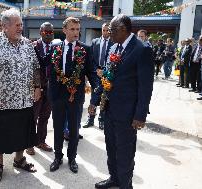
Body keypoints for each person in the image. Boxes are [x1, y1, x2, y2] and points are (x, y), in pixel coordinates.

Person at [0, 8, 41, 183]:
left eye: (21, 24)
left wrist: (37, 87)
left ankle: (19, 159)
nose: (20, 27)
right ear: (4, 26)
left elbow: (36, 67)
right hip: (3, 101)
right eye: (17, 25)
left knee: (23, 132)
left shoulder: (27, 44)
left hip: (24, 99)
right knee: (1, 133)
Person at [94, 14, 154, 189]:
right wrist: (96, 100)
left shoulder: (141, 49)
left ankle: (125, 185)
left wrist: (140, 115)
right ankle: (114, 178)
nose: (108, 33)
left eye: (111, 30)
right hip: (110, 109)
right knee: (111, 147)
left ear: (122, 30)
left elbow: (146, 86)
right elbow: (107, 77)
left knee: (125, 152)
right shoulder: (114, 48)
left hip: (128, 113)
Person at [48, 17, 99, 174]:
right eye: (72, 29)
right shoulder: (55, 48)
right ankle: (57, 157)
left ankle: (72, 158)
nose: (76, 32)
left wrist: (98, 87)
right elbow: (49, 69)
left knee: (74, 130)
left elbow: (91, 71)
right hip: (57, 95)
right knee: (57, 128)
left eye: (78, 29)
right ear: (64, 30)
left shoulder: (86, 49)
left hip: (75, 96)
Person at [26, 22, 54, 155]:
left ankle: (40, 141)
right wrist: (35, 86)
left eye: (51, 32)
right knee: (33, 116)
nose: (49, 34)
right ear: (40, 32)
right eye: (46, 32)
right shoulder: (32, 47)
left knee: (45, 116)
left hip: (51, 87)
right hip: (36, 87)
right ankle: (29, 143)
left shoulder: (56, 47)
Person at [84, 22, 113, 130]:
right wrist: (96, 70)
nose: (105, 32)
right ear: (101, 30)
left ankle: (102, 120)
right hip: (96, 75)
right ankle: (90, 119)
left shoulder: (114, 42)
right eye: (103, 30)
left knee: (104, 97)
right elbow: (91, 58)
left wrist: (104, 71)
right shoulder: (95, 41)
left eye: (107, 30)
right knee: (94, 96)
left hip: (107, 75)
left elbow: (114, 60)